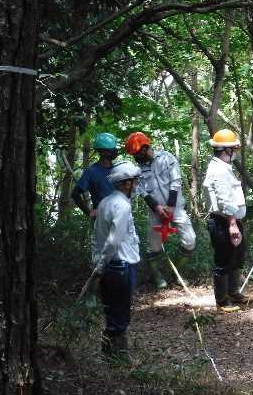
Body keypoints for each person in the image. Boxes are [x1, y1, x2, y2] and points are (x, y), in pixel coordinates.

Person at [125, 132, 196, 289]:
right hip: (156, 211)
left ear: (144, 149)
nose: (134, 157)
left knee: (190, 240)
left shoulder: (166, 158)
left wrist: (170, 207)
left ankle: (177, 273)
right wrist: (157, 207)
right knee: (154, 246)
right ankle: (156, 276)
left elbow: (176, 182)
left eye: (135, 153)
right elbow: (142, 192)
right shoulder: (137, 170)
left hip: (175, 207)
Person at [90, 161, 141, 356]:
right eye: (135, 181)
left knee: (112, 313)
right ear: (126, 184)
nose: (136, 185)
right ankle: (118, 359)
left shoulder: (104, 202)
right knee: (120, 315)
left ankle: (109, 357)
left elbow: (95, 236)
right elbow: (112, 241)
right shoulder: (122, 206)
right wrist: (101, 264)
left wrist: (97, 262)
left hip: (111, 266)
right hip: (120, 267)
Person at [203, 129, 250, 313]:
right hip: (224, 222)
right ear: (226, 149)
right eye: (234, 148)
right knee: (224, 259)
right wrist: (232, 223)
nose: (236, 151)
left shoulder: (223, 167)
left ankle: (233, 292)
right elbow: (224, 200)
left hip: (232, 221)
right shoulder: (219, 170)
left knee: (237, 256)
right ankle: (222, 301)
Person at [71, 132, 118, 218]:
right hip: (102, 219)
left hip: (120, 215)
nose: (115, 151)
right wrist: (88, 212)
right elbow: (75, 194)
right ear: (103, 152)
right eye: (112, 149)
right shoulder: (91, 172)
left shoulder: (118, 169)